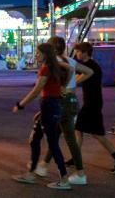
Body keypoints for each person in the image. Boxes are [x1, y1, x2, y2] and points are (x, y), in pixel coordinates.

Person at [11, 42, 71, 190]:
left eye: (38, 53)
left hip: (49, 106)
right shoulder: (56, 67)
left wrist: (20, 105)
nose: (36, 55)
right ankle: (30, 174)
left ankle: (64, 179)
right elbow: (71, 69)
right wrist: (64, 86)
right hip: (52, 106)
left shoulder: (45, 69)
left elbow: (36, 91)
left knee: (52, 144)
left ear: (45, 54)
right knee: (35, 139)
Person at [37, 36, 90, 185]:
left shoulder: (55, 64)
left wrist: (63, 88)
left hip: (60, 102)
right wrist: (73, 86)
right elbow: (89, 71)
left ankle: (46, 168)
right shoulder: (71, 61)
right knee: (65, 136)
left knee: (51, 136)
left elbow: (46, 86)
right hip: (72, 100)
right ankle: (44, 166)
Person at [71, 42, 115, 173]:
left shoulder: (91, 67)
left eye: (78, 51)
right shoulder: (90, 65)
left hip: (92, 104)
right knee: (82, 130)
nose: (76, 54)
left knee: (94, 133)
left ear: (85, 52)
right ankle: (76, 158)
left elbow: (76, 80)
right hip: (92, 103)